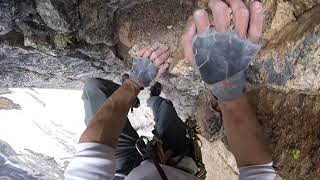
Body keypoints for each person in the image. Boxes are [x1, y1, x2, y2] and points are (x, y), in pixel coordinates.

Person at [64, 0, 277, 179]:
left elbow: (93, 148)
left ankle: (146, 96)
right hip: (178, 166)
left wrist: (134, 83)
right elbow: (258, 171)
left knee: (95, 89)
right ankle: (156, 99)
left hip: (126, 172)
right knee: (165, 108)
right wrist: (229, 93)